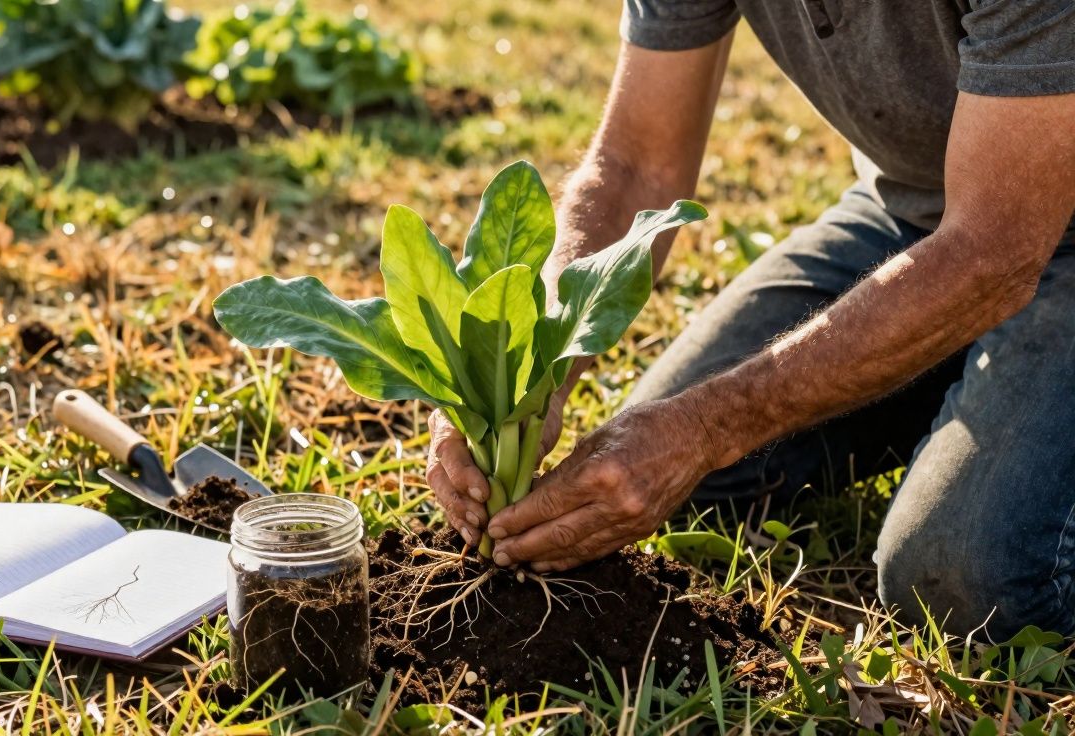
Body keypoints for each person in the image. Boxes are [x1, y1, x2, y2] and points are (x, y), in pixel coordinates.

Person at [425, 0, 1075, 640]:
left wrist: (710, 424)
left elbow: (991, 253)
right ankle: (964, 379)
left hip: (1019, 237)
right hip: (914, 213)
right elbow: (635, 164)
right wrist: (532, 363)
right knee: (685, 479)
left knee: (965, 583)